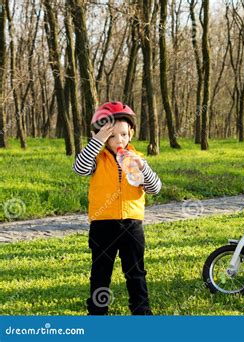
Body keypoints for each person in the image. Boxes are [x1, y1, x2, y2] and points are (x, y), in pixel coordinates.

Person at [73, 101, 161, 315]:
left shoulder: (137, 158)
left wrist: (143, 169)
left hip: (132, 225)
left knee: (136, 272)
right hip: (103, 225)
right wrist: (98, 141)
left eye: (122, 134)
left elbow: (155, 188)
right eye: (111, 136)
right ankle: (97, 312)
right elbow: (79, 168)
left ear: (130, 132)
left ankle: (141, 312)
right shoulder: (97, 159)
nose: (118, 140)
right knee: (100, 273)